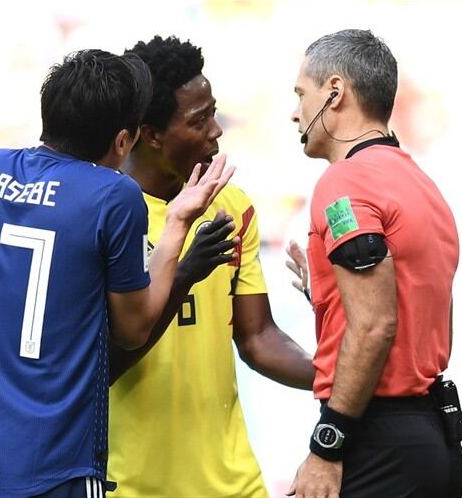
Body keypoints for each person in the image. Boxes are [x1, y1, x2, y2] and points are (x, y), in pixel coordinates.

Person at [0, 49, 234, 498]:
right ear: (122, 141)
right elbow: (133, 330)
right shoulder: (114, 197)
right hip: (58, 474)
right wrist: (177, 225)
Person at [108, 36, 315, 498]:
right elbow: (101, 363)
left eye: (214, 112)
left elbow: (258, 337)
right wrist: (182, 275)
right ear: (151, 134)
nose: (216, 130)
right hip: (132, 486)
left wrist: (342, 381)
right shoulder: (102, 215)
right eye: (198, 120)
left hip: (233, 484)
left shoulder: (232, 206)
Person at [286, 30, 462, 498]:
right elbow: (407, 306)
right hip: (432, 440)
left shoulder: (345, 183)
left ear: (335, 93)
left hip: (376, 440)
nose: (295, 112)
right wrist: (322, 293)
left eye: (301, 94)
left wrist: (328, 444)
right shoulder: (421, 183)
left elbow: (374, 325)